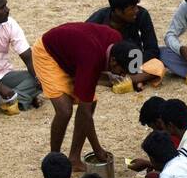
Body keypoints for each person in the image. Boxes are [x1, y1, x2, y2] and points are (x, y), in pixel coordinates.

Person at [30, 21, 134, 169]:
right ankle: (53, 161)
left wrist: (106, 75)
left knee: (91, 103)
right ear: (113, 61)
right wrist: (97, 148)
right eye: (122, 71)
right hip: (48, 53)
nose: (122, 75)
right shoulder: (92, 58)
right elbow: (84, 112)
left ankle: (73, 158)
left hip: (72, 56)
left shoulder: (116, 40)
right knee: (64, 110)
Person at [87, 0, 166, 88]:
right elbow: (84, 50)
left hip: (136, 61)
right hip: (110, 65)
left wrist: (132, 66)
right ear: (118, 11)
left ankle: (128, 79)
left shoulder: (141, 15)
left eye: (136, 6)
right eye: (132, 8)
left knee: (158, 65)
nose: (136, 10)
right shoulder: (96, 21)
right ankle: (131, 80)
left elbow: (152, 49)